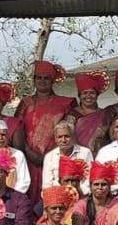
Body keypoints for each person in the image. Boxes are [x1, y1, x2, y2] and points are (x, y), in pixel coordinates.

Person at [15, 60, 77, 190]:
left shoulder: (66, 103)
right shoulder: (26, 103)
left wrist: (49, 156)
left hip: (57, 159)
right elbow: (16, 130)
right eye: (39, 77)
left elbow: (70, 131)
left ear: (52, 80)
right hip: (28, 161)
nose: (42, 81)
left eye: (46, 78)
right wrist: (30, 153)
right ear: (34, 80)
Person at [41, 122, 94, 194]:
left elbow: (90, 178)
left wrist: (78, 192)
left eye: (67, 136)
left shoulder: (85, 152)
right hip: (57, 195)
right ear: (55, 139)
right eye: (60, 137)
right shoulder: (49, 156)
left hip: (82, 194)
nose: (63, 140)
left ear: (73, 137)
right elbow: (47, 184)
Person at [68, 72, 111, 151]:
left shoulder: (105, 114)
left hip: (100, 153)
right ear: (79, 96)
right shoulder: (72, 114)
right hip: (78, 153)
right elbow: (67, 135)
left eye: (92, 93)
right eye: (85, 93)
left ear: (97, 95)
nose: (88, 96)